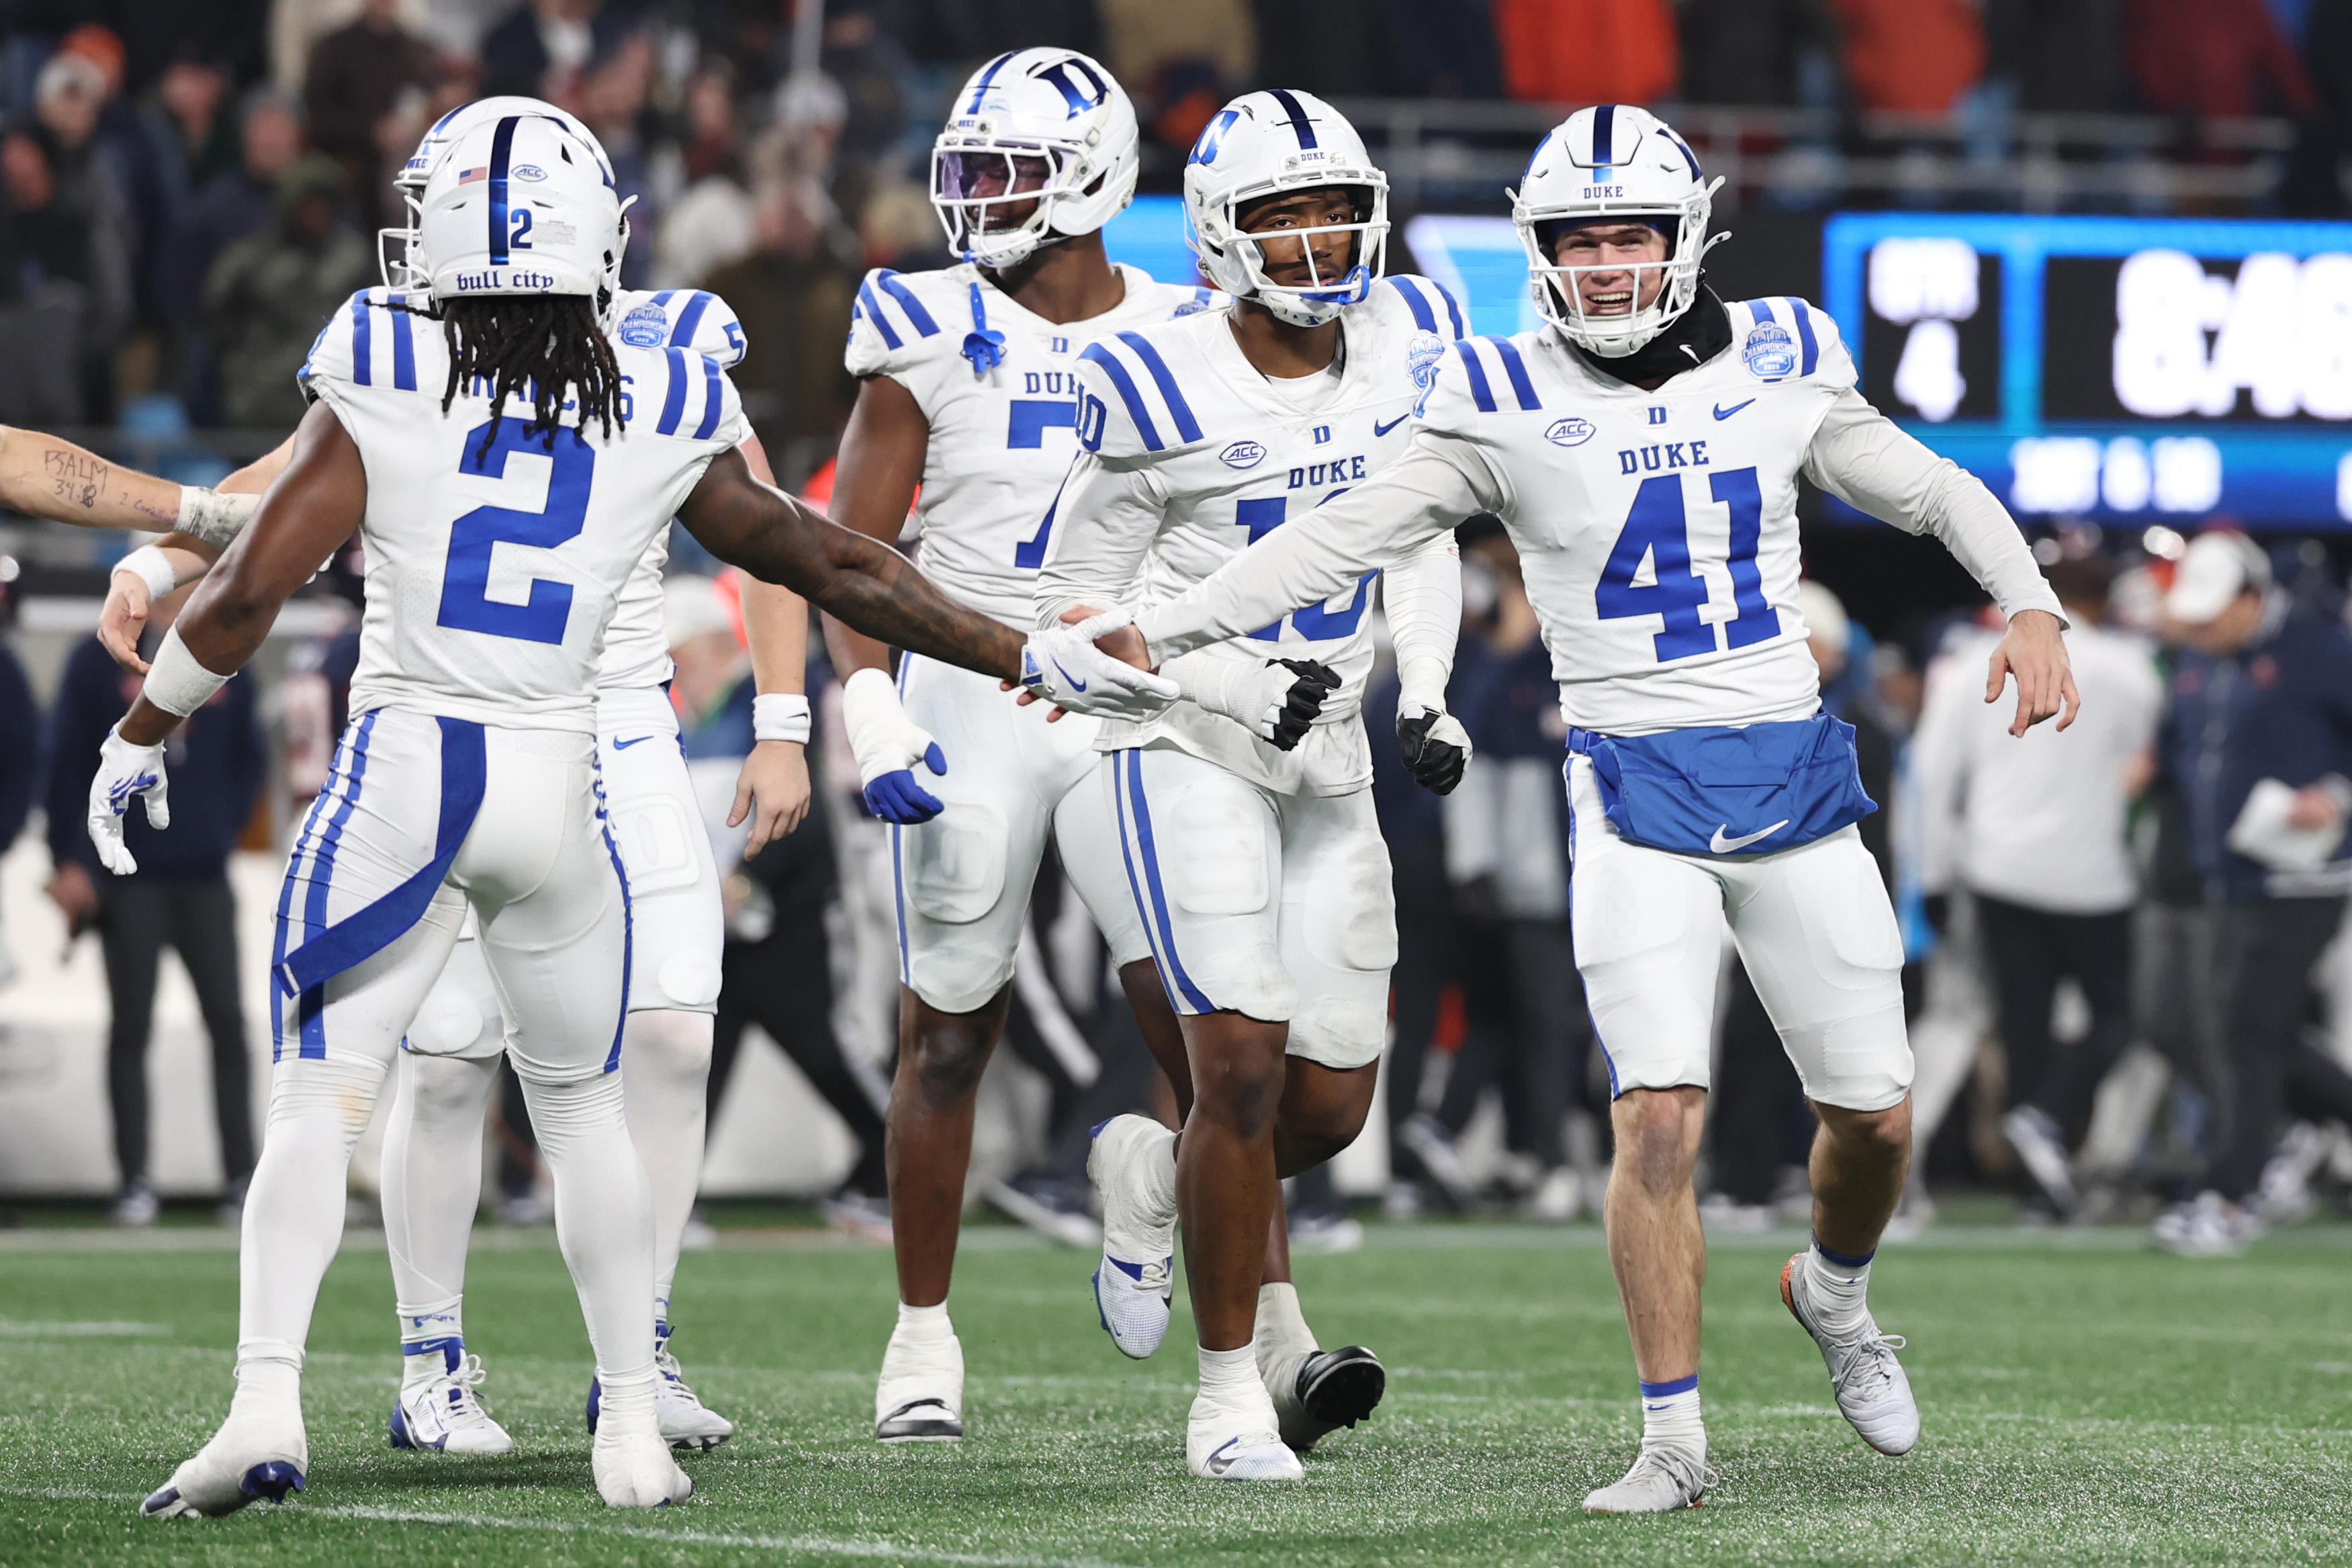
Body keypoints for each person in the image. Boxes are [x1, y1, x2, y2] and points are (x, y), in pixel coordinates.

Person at [99, 102, 1161, 1520]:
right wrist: (1020, 649)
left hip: (412, 767)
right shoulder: (658, 387)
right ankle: (622, 1422)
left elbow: (249, 587)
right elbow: (833, 559)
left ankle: (262, 1405)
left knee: (323, 1092)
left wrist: (144, 727)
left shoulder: (384, 360)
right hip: (563, 784)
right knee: (588, 1110)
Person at [1076, 103, 2076, 1511]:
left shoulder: (1781, 350)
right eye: (1574, 238)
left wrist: (2027, 603)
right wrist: (1163, 631)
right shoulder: (1488, 391)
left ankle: (1834, 1292)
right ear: (1537, 249)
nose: (1603, 265)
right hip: (1625, 785)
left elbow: (1926, 490)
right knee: (1655, 1121)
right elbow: (1333, 536)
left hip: (1785, 768)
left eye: (1629, 236)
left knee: (1877, 1124)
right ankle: (1670, 1437)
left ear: (1685, 240)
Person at [811, 48, 1324, 1450]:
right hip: (975, 692)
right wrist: (865, 703)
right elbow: (849, 557)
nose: (977, 201)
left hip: (1128, 697)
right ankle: (920, 1340)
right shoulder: (919, 322)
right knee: (949, 1037)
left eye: (1010, 175)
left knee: (1216, 1035)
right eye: (967, 174)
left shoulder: (1190, 321)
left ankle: (1255, 1336)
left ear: (1094, 178)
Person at [1038, 89, 1472, 1480]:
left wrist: (1429, 680)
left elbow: (1420, 530)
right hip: (1178, 742)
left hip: (1327, 744)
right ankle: (1227, 1397)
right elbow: (1070, 617)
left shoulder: (1411, 344)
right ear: (1222, 236)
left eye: (1333, 208)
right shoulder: (1154, 373)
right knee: (1234, 1067)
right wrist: (1224, 682)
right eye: (1281, 214)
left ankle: (1142, 1177)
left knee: (1329, 1108)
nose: (1314, 238)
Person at [1913, 555, 2162, 1217]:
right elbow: (2147, 775)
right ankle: (2045, 1126)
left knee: (2020, 1023)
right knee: (2119, 1014)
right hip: (2095, 876)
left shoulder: (1967, 663)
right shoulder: (2127, 668)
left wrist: (1931, 877)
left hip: (1997, 870)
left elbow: (1933, 779)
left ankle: (2035, 1179)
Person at [2147, 531, 2352, 1254]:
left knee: (2249, 1027)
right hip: (2226, 872)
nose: (2201, 627)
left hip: (2305, 871)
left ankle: (2231, 1195)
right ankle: (2280, 1147)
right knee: (2227, 1027)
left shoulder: (2321, 648)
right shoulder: (2200, 662)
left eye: (2213, 612)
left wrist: (2333, 794)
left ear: (2252, 598)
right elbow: (2182, 751)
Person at [45, 590, 264, 1228]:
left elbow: (249, 755)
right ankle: (134, 1177)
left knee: (227, 1021)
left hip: (204, 873)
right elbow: (66, 763)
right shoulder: (98, 659)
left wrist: (219, 823)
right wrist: (69, 857)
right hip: (129, 876)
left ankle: (240, 1176)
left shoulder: (228, 649)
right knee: (131, 1026)